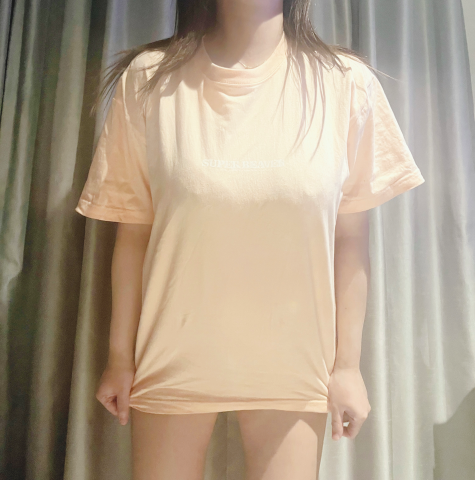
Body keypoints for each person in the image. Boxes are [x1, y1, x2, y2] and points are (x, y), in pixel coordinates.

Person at [75, 0, 425, 478]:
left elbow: (350, 240)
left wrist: (348, 367)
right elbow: (132, 233)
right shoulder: (149, 79)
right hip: (172, 354)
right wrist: (119, 358)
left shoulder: (345, 83)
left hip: (295, 361)